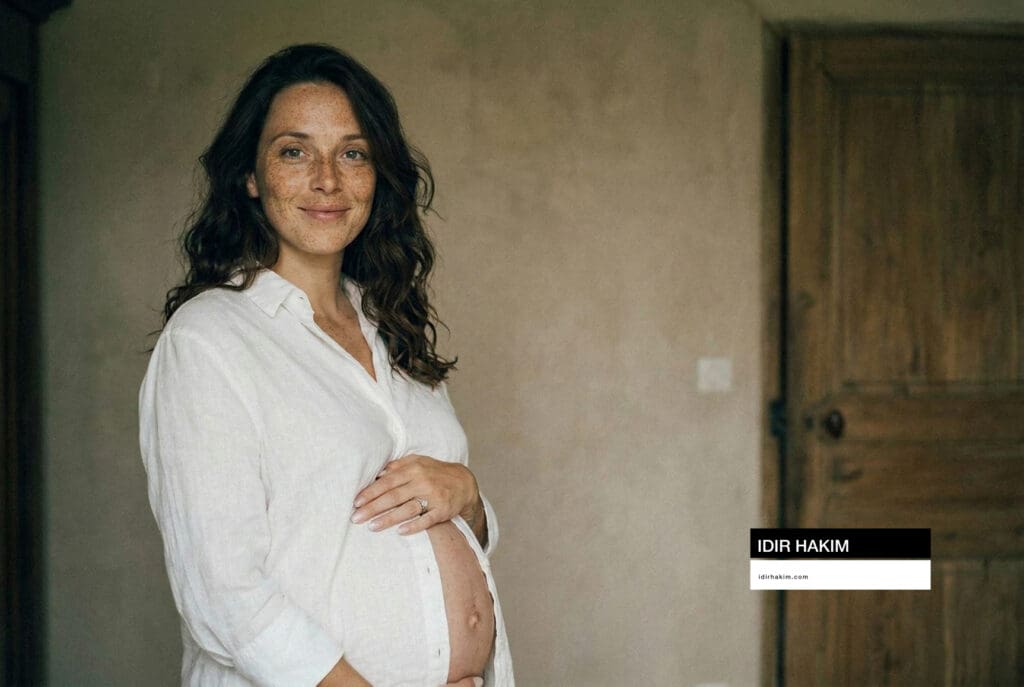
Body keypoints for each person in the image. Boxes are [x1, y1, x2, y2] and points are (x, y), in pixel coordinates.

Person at [138, 44, 513, 687]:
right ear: (250, 177)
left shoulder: (392, 326)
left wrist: (471, 498)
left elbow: (447, 524)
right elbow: (223, 595)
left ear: (376, 175)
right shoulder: (210, 341)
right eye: (294, 150)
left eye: (352, 152)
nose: (327, 180)